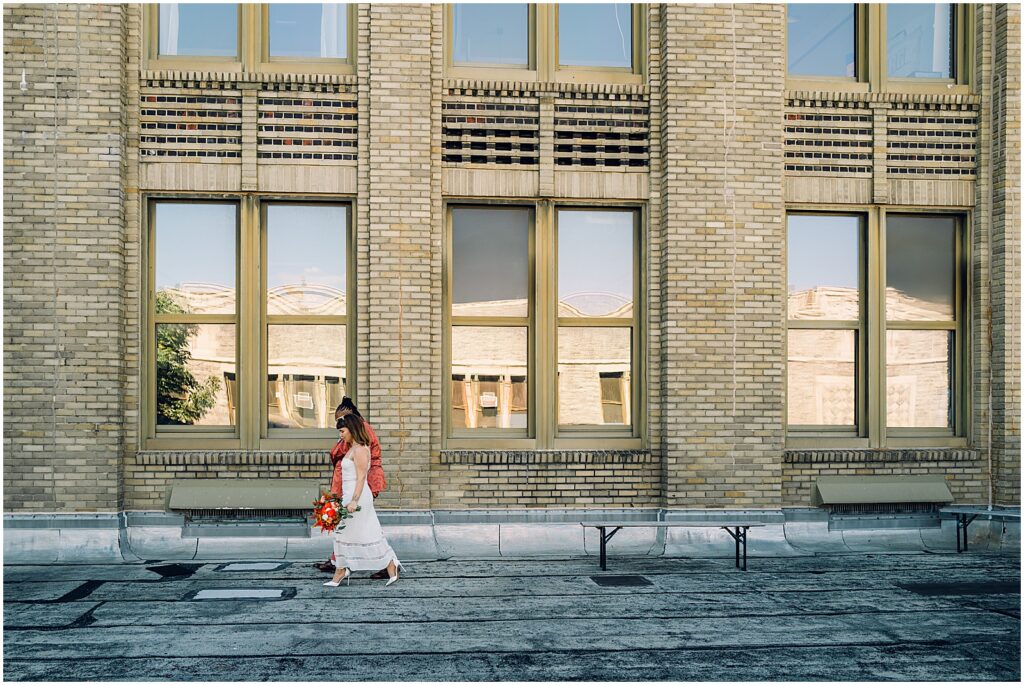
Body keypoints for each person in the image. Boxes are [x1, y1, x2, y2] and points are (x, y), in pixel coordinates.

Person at [323, 413, 402, 588]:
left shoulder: (360, 450)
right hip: (349, 495)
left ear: (352, 430)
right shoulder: (351, 448)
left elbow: (361, 478)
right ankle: (344, 570)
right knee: (350, 533)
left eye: (343, 431)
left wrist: (354, 501)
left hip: (357, 497)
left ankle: (344, 571)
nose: (340, 435)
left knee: (351, 533)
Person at [315, 397, 389, 577]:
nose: (340, 426)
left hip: (362, 485)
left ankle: (384, 563)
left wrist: (356, 496)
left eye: (342, 421)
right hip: (350, 485)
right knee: (352, 524)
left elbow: (363, 465)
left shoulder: (361, 433)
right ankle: (338, 561)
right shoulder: (353, 433)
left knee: (361, 525)